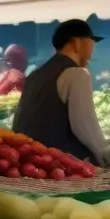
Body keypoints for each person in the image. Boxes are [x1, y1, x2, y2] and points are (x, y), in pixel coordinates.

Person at [13, 19, 109, 165]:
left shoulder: (35, 75)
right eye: (91, 41)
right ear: (76, 43)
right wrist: (104, 156)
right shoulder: (77, 73)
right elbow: (84, 127)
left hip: (26, 161)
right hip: (59, 165)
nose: (93, 48)